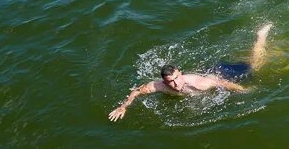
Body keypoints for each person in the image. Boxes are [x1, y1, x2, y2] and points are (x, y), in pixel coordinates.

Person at [108, 24, 272, 122]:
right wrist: (123, 107)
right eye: (170, 82)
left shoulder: (198, 83)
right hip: (210, 70)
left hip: (221, 74)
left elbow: (221, 83)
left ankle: (260, 37)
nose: (175, 84)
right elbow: (136, 91)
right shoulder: (159, 86)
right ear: (164, 82)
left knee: (255, 65)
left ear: (180, 73)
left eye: (176, 79)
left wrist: (244, 90)